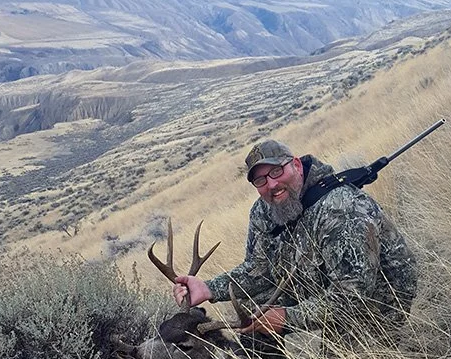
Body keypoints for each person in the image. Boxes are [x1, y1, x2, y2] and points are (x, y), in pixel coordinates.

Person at [173, 139, 417, 339]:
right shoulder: (263, 211)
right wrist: (208, 288)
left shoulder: (340, 209)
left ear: (297, 166)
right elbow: (259, 269)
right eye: (260, 180)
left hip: (379, 299)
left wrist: (287, 318)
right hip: (320, 286)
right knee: (251, 317)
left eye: (277, 171)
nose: (272, 184)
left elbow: (354, 296)